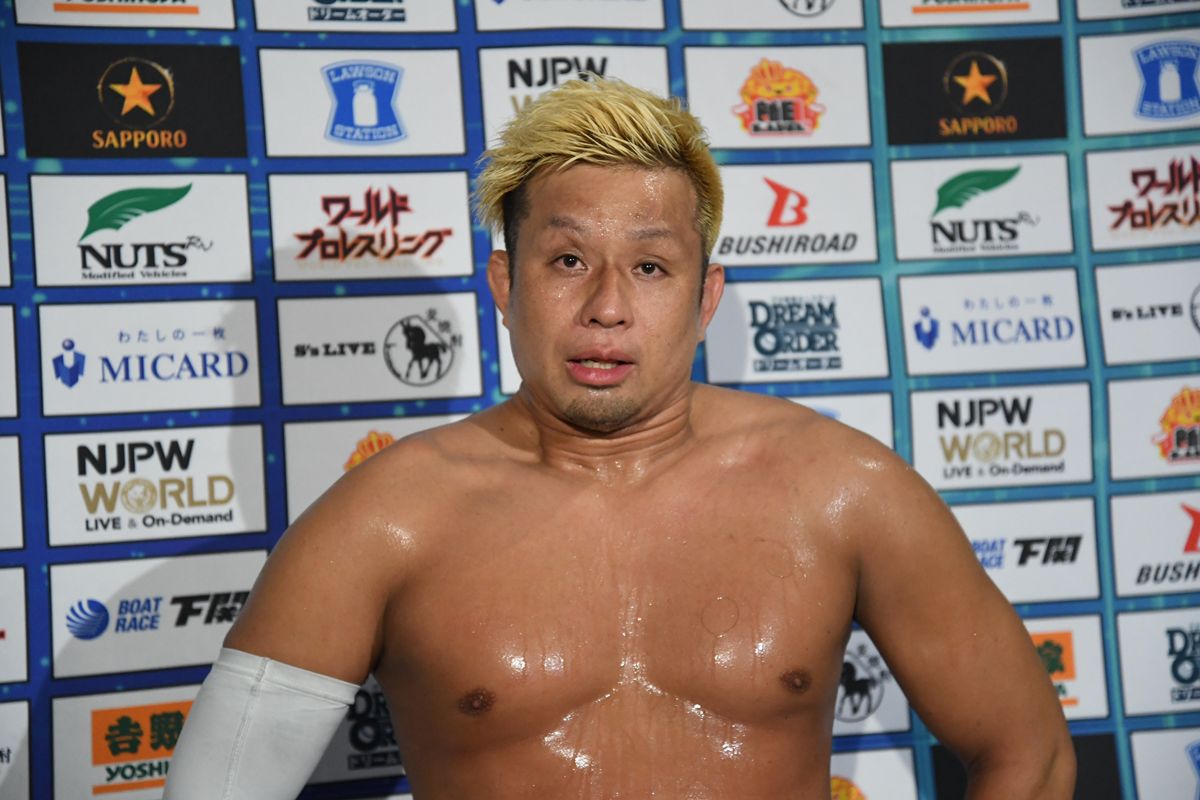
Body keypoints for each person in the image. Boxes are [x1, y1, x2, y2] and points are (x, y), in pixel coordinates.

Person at [165, 77, 1074, 799]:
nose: (607, 307)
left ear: (706, 298)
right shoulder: (381, 523)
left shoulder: (845, 490)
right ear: (503, 284)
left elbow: (1028, 755)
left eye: (650, 265)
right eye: (568, 260)